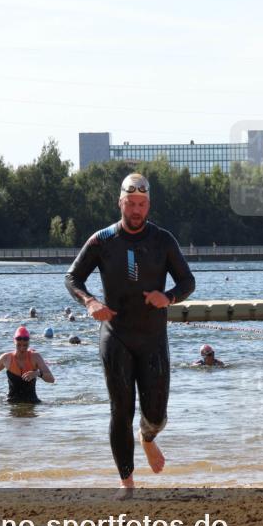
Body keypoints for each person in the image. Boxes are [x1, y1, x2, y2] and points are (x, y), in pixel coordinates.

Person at [65, 172, 196, 491]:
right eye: (130, 204)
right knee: (120, 409)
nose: (135, 210)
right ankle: (127, 484)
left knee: (157, 414)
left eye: (141, 204)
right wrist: (90, 301)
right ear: (120, 203)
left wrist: (169, 297)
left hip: (152, 337)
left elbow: (187, 282)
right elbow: (72, 278)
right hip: (116, 335)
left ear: (148, 205)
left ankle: (148, 436)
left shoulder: (162, 240)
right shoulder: (102, 240)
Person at [0, 326, 55, 403]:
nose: (22, 348)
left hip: (31, 402)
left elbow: (51, 379)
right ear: (14, 341)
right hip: (11, 402)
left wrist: (37, 373)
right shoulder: (6, 358)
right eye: (19, 345)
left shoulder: (35, 357)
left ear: (29, 343)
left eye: (25, 345)